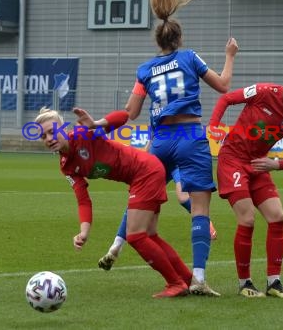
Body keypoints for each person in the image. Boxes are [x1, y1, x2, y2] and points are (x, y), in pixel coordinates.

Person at [123, 0, 239, 297]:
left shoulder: (144, 70)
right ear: (179, 38)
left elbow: (131, 114)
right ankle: (198, 278)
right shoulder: (189, 57)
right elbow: (223, 85)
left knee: (141, 209)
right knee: (200, 210)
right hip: (190, 137)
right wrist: (230, 57)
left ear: (158, 40)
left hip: (159, 141)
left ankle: (122, 244)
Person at [35, 106, 192, 298]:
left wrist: (95, 124)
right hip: (141, 177)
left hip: (145, 171)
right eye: (43, 136)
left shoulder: (83, 134)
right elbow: (83, 199)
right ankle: (188, 279)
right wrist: (84, 231)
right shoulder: (66, 166)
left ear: (62, 128)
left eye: (52, 132)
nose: (49, 139)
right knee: (149, 235)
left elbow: (123, 117)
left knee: (135, 236)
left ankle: (175, 283)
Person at [208, 58, 283, 299]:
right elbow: (227, 98)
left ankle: (274, 282)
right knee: (247, 219)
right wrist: (214, 125)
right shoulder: (263, 92)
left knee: (277, 217)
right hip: (233, 159)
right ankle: (245, 283)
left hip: (259, 165)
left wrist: (276, 164)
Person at [98, 166, 218, 271]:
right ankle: (116, 246)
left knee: (140, 200)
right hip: (169, 157)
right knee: (141, 199)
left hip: (170, 157)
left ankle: (116, 246)